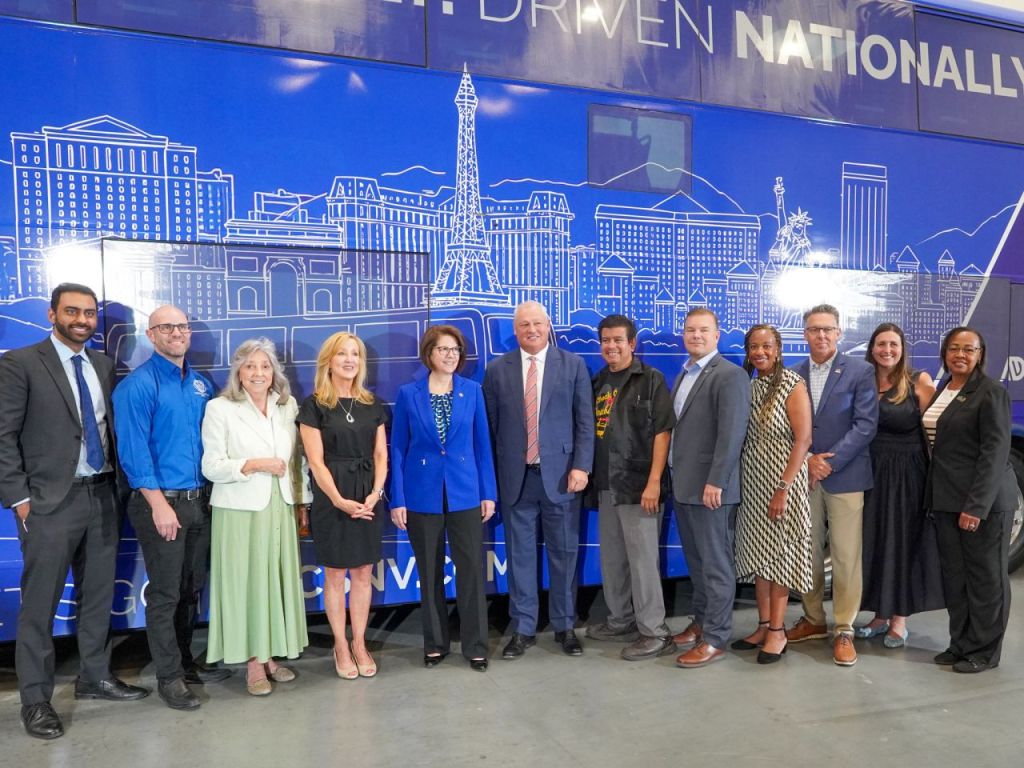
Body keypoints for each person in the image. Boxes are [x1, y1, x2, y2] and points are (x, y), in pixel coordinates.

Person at [0, 283, 149, 739]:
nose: (82, 320)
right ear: (52, 314)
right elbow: (3, 435)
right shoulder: (21, 363)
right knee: (39, 605)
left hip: (102, 496)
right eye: (72, 311)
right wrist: (19, 499)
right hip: (48, 504)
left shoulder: (102, 365)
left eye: (88, 313)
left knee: (98, 595)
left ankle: (95, 676)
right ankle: (36, 701)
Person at [114, 304, 232, 711]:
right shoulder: (137, 386)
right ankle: (169, 677)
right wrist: (158, 504)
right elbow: (133, 452)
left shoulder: (200, 384)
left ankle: (185, 662)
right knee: (165, 593)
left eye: (182, 327)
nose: (177, 333)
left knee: (190, 588)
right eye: (167, 327)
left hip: (200, 502)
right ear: (151, 335)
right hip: (161, 504)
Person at [483, 300, 595, 659]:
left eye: (537, 323)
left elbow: (585, 422)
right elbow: (490, 429)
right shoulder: (496, 370)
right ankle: (523, 628)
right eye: (524, 325)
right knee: (519, 558)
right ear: (515, 330)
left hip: (562, 478)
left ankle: (565, 627)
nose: (531, 330)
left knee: (564, 555)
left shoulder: (573, 365)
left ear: (548, 326)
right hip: (516, 480)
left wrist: (582, 466)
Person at [201, 338, 312, 695]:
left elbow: (298, 461)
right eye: (250, 366)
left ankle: (270, 656)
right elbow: (211, 466)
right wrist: (255, 464)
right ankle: (252, 663)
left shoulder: (286, 406)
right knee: (248, 586)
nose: (258, 373)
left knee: (274, 584)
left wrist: (302, 503)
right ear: (238, 372)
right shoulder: (220, 408)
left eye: (265, 366)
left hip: (280, 506)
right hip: (239, 511)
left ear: (274, 372)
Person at [389, 325, 497, 671]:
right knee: (430, 571)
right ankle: (435, 644)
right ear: (429, 354)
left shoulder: (472, 391)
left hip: (466, 493)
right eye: (443, 349)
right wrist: (398, 499)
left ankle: (476, 645)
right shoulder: (409, 394)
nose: (450, 355)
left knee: (471, 572)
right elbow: (397, 449)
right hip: (422, 495)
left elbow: (482, 446)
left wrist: (488, 493)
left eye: (455, 349)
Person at [787, 304, 878, 667]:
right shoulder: (792, 374)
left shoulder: (860, 371)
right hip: (804, 475)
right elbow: (785, 426)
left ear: (839, 333)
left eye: (827, 329)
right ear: (805, 334)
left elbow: (865, 424)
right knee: (806, 551)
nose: (821, 335)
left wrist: (829, 461)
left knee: (845, 555)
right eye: (814, 329)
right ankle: (813, 619)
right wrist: (808, 460)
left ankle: (844, 628)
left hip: (845, 474)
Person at [924, 326, 1017, 673]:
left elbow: (995, 453)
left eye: (968, 349)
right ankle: (960, 643)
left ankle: (983, 651)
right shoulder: (944, 389)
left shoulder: (991, 392)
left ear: (980, 355)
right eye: (954, 348)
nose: (960, 355)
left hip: (982, 503)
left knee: (986, 578)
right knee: (956, 578)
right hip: (947, 500)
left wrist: (976, 507)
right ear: (945, 353)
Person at [583, 315, 676, 661]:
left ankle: (655, 632)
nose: (611, 346)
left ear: (632, 343)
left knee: (642, 562)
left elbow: (663, 432)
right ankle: (621, 620)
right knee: (613, 559)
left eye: (618, 340)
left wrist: (653, 482)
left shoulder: (651, 380)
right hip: (607, 485)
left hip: (639, 487)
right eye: (606, 340)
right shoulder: (598, 382)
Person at [298, 332, 387, 679]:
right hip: (331, 497)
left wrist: (375, 494)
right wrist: (338, 500)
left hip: (367, 496)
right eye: (342, 354)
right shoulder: (314, 405)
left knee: (363, 572)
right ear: (328, 361)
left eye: (355, 354)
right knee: (335, 575)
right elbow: (315, 462)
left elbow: (380, 455)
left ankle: (360, 643)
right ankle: (340, 644)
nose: (350, 360)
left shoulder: (372, 403)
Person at [668, 308, 750, 668]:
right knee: (697, 562)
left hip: (711, 488)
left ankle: (715, 637)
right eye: (690, 330)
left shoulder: (730, 375)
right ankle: (701, 622)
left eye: (703, 330)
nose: (696, 335)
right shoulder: (684, 373)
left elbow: (731, 434)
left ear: (717, 335)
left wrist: (717, 480)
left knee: (716, 566)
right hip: (684, 484)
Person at [855, 323, 944, 648]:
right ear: (872, 348)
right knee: (876, 540)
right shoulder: (863, 381)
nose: (887, 350)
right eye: (881, 344)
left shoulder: (919, 381)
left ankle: (899, 620)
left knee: (903, 542)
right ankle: (880, 615)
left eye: (893, 344)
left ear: (903, 348)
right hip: (871, 472)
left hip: (908, 474)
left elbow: (936, 431)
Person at [733, 324, 813, 664]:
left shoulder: (792, 384)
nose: (759, 352)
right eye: (754, 346)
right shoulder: (749, 386)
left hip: (782, 483)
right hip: (753, 483)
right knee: (760, 556)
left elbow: (803, 439)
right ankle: (764, 625)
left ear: (778, 349)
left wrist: (783, 488)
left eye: (766, 346)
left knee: (778, 556)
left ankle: (778, 632)